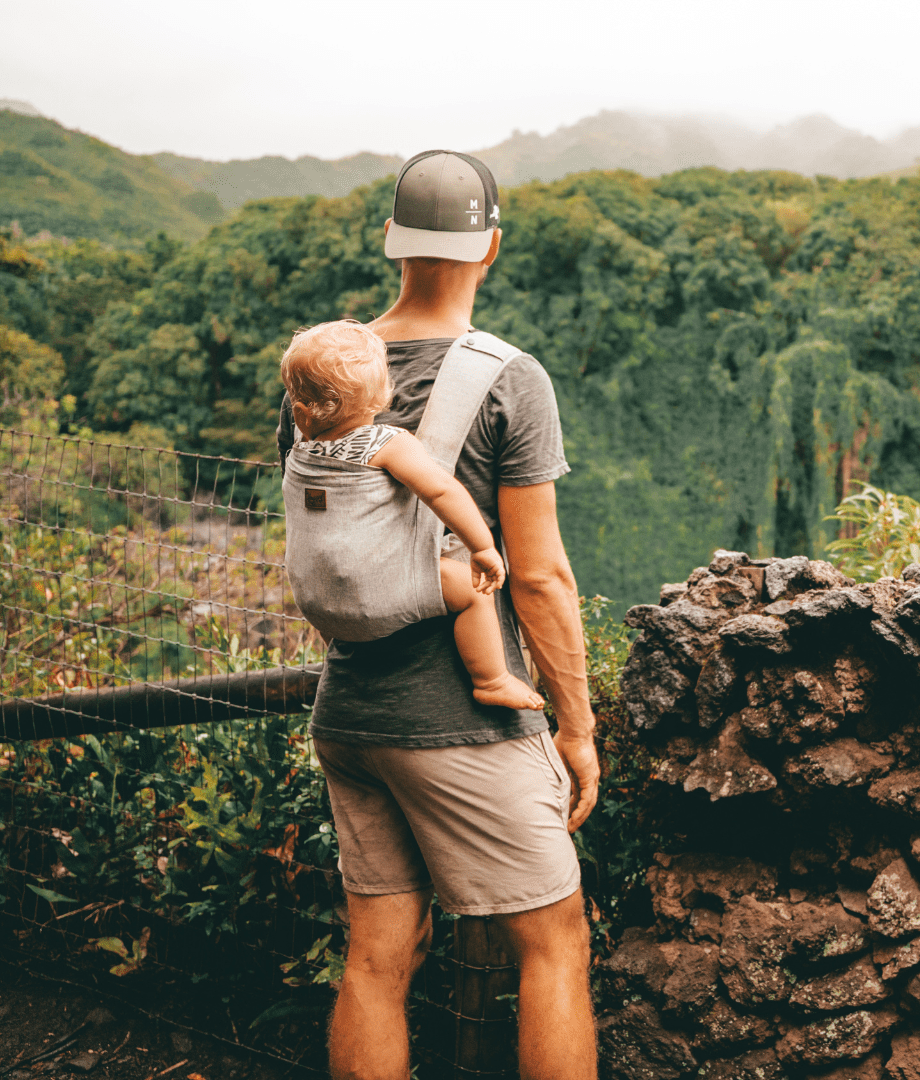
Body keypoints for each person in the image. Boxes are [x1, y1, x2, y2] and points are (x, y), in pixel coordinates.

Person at [277, 149, 599, 1080]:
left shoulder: (314, 373)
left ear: (391, 241)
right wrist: (575, 725)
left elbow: (324, 530)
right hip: (462, 722)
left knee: (378, 959)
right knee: (554, 944)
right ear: (490, 246)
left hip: (350, 714)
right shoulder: (509, 377)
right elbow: (537, 577)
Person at [279, 319, 545, 711]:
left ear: (300, 415)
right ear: (384, 395)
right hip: (380, 597)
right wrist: (482, 547)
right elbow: (441, 490)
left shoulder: (301, 451)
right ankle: (492, 680)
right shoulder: (388, 444)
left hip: (320, 606)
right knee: (470, 591)